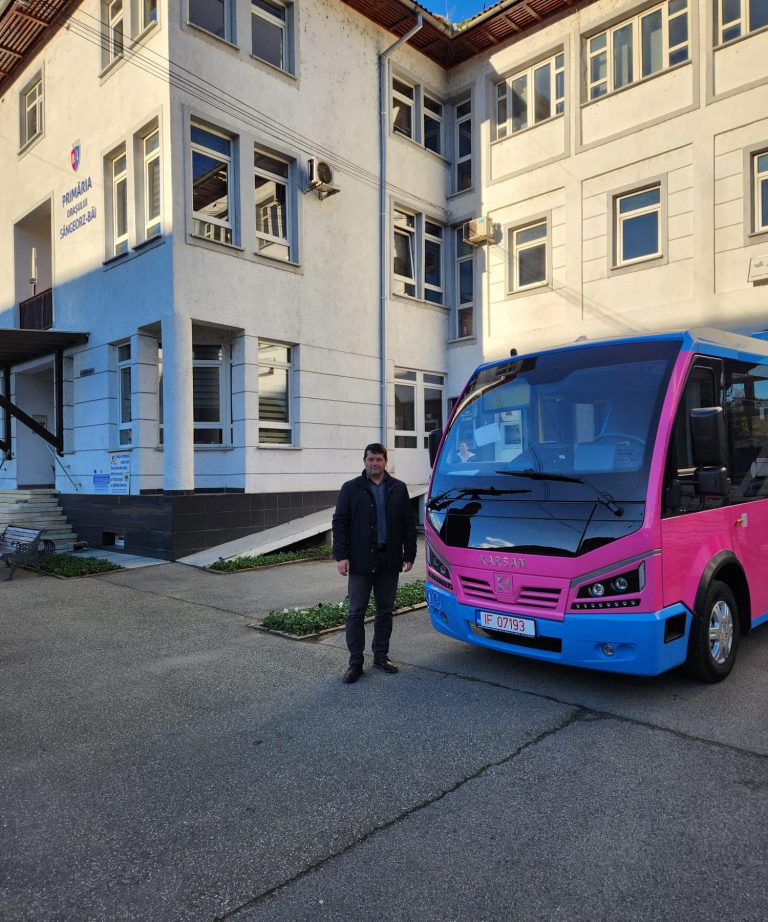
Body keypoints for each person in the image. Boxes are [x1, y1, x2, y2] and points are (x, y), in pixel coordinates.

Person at [332, 443, 417, 684]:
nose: (374, 463)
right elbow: (340, 522)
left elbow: (408, 523)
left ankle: (381, 656)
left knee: (385, 611)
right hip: (360, 560)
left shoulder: (398, 488)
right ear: (364, 461)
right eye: (370, 459)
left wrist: (409, 554)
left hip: (389, 560)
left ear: (385, 461)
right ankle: (355, 663)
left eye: (379, 459)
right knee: (356, 612)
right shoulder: (351, 488)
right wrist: (341, 556)